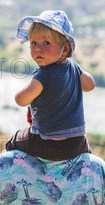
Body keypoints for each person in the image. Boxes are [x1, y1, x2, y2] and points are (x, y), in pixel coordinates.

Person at [5, 10, 96, 161]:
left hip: (46, 144)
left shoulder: (44, 75)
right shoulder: (74, 67)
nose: (38, 48)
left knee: (15, 140)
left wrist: (19, 94)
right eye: (33, 43)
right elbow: (90, 85)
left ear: (65, 49)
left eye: (46, 43)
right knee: (87, 156)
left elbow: (21, 100)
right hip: (77, 143)